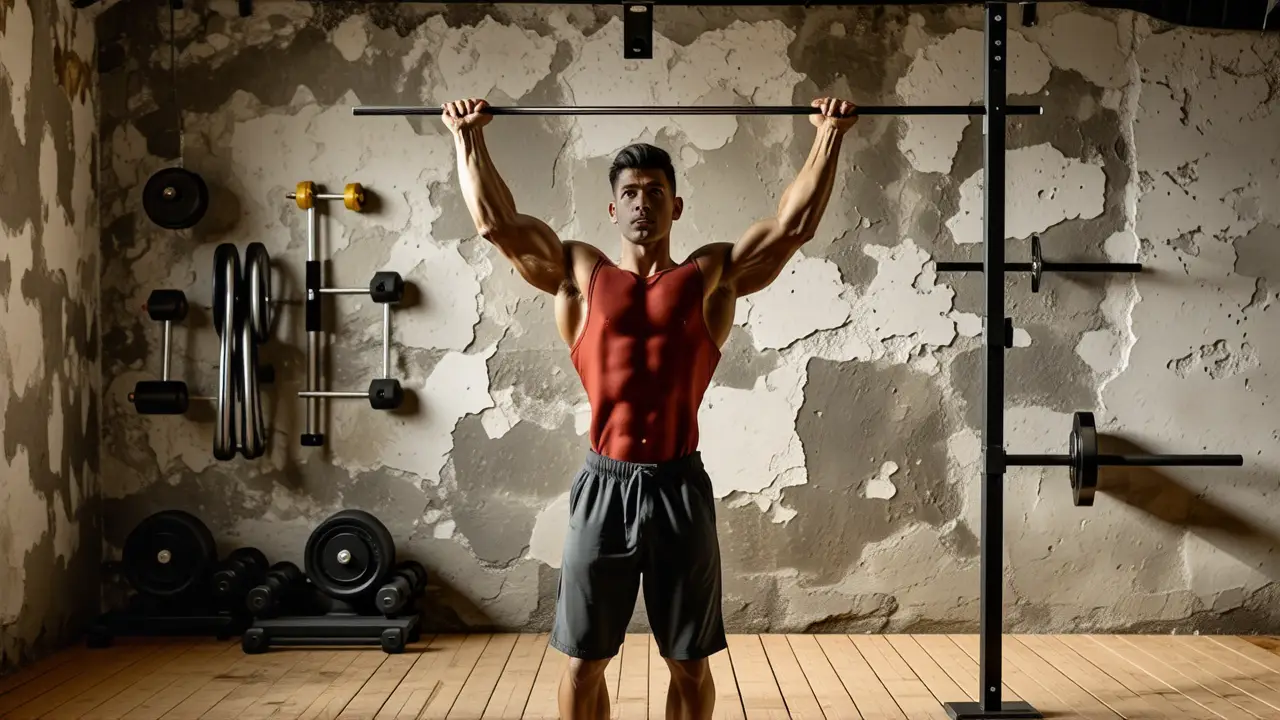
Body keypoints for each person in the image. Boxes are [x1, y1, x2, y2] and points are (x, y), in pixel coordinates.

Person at [442, 96, 858, 720]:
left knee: (689, 663)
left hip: (678, 486)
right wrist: (468, 137)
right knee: (583, 662)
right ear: (614, 208)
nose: (643, 202)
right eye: (632, 192)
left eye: (656, 191)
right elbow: (497, 226)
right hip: (602, 488)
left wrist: (828, 135)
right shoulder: (580, 272)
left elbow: (791, 229)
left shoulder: (709, 275)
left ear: (675, 205)